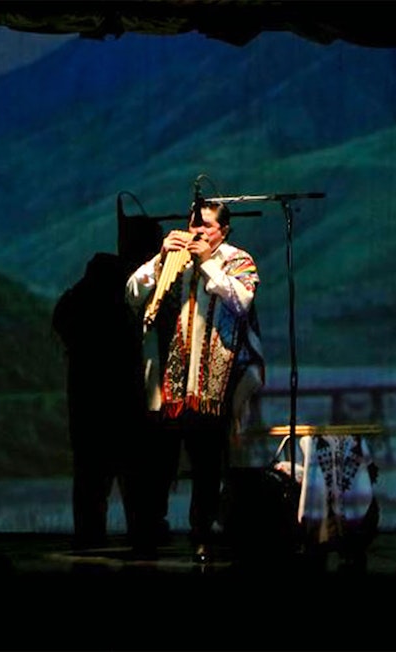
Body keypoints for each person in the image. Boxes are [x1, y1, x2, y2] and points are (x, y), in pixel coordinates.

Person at [125, 199, 264, 562]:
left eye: (206, 226)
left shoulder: (238, 260)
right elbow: (132, 294)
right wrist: (158, 261)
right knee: (159, 462)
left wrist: (206, 264)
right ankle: (149, 529)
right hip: (171, 382)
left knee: (206, 466)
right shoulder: (174, 259)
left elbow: (241, 302)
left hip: (212, 386)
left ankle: (201, 533)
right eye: (194, 224)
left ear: (224, 230)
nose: (198, 231)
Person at [52, 252, 146, 550]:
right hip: (123, 408)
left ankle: (89, 540)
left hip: (86, 409)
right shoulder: (120, 309)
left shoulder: (72, 304)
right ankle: (140, 540)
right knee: (132, 481)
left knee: (89, 484)